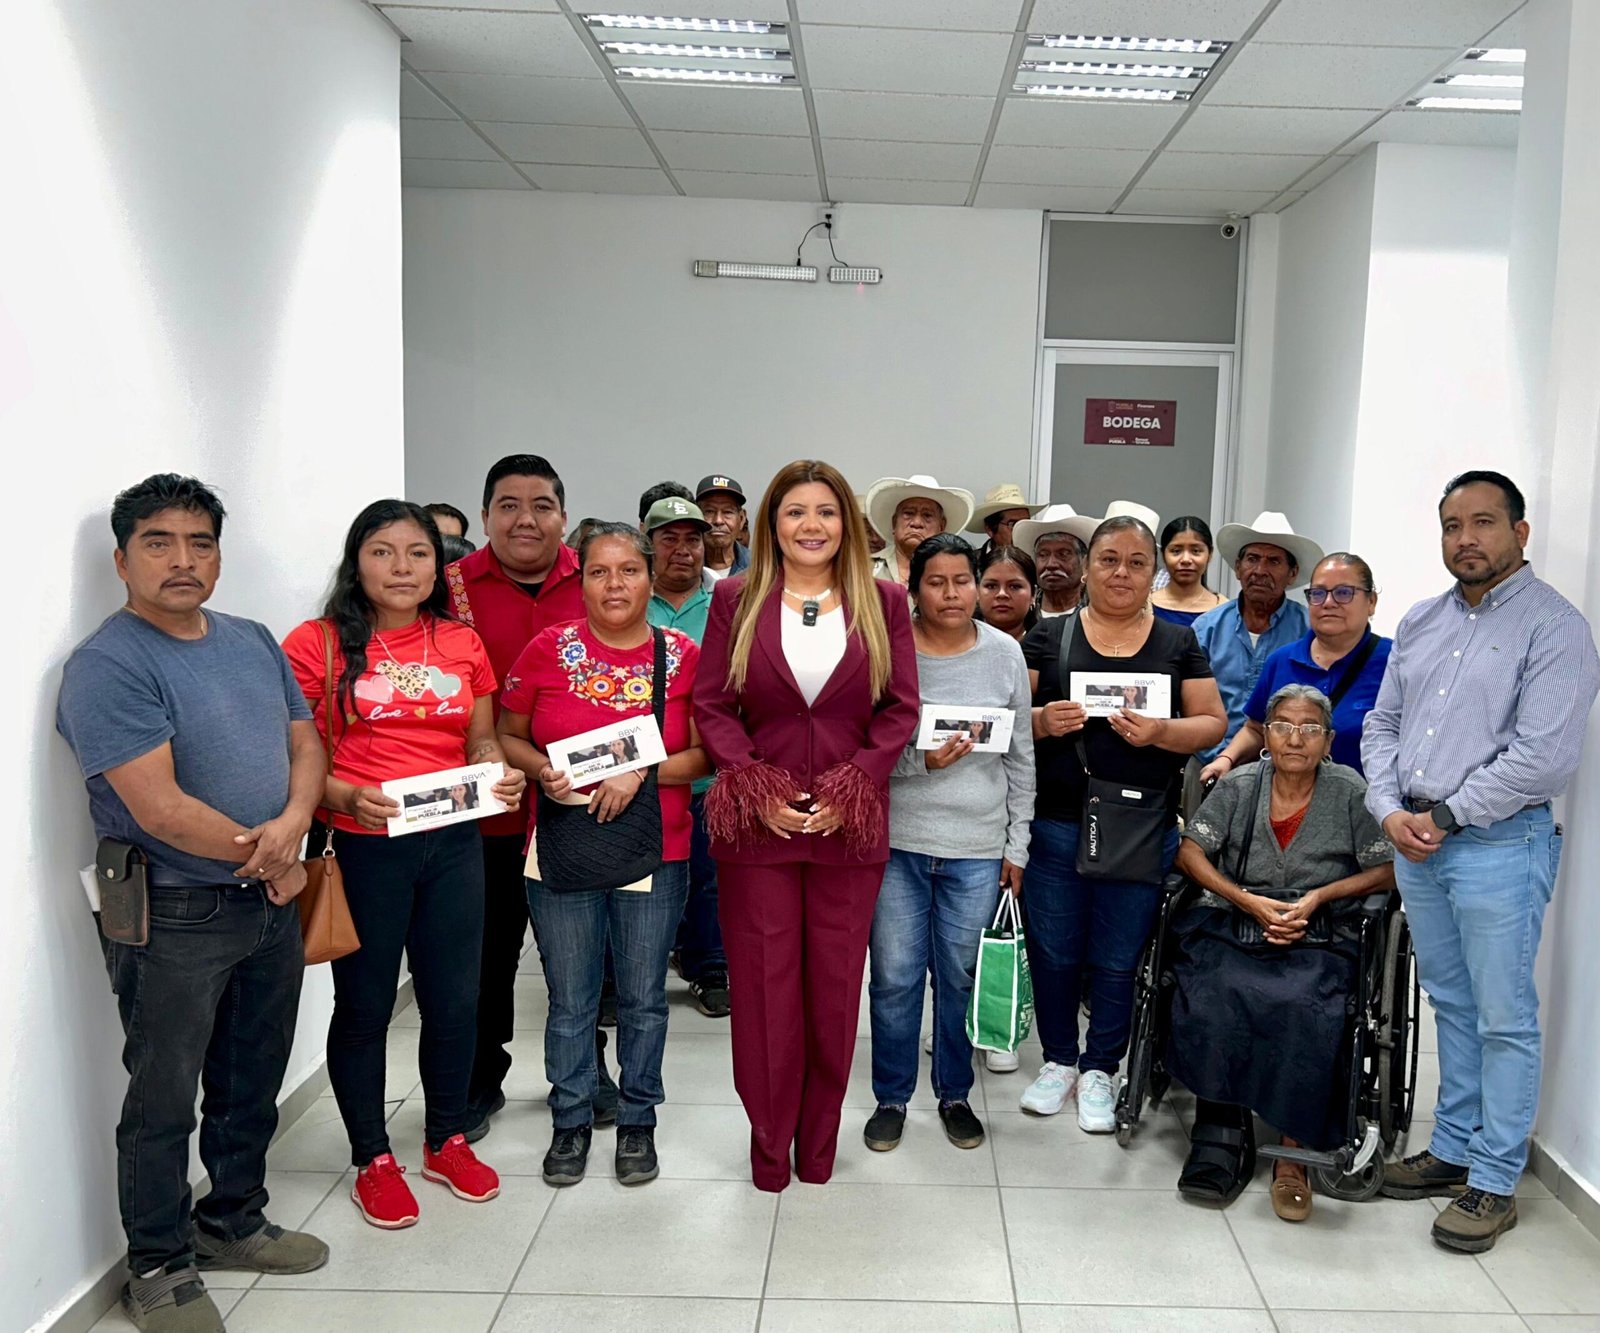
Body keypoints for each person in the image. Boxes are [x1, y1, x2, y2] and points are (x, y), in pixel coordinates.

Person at [57, 475, 329, 1333]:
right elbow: (160, 808)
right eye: (158, 542)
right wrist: (275, 855)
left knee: (252, 1077)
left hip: (267, 900)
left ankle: (232, 1220)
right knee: (163, 1096)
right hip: (173, 911)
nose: (182, 559)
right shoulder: (108, 664)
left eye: (200, 542)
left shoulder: (252, 639)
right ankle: (159, 1265)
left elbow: (306, 744)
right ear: (121, 560)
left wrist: (293, 828)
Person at [1364, 470, 1600, 1254]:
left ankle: (1495, 1179)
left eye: (1483, 522)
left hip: (1498, 844)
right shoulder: (1422, 620)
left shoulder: (1556, 628)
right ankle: (1453, 1147)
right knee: (1453, 1006)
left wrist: (1444, 814)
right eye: (1452, 525)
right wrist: (1389, 809)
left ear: (1520, 533)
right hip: (1416, 841)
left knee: (1503, 1016)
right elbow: (1382, 725)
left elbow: (1544, 757)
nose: (1465, 539)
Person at [283, 500, 522, 1230]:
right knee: (365, 1005)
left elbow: (481, 738)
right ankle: (372, 1158)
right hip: (362, 843)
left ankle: (446, 1138)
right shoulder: (317, 644)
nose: (401, 568)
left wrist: (497, 771)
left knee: (455, 998)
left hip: (453, 841)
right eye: (383, 552)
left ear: (437, 565)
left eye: (418, 553)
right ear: (356, 561)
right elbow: (293, 753)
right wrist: (343, 795)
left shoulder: (461, 641)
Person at [696, 460, 919, 1191]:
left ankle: (818, 1147)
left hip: (846, 829)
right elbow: (712, 704)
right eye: (796, 511)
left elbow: (900, 708)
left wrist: (857, 783)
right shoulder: (735, 598)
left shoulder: (884, 601)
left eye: (827, 511)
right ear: (772, 523)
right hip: (757, 831)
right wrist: (751, 782)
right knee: (765, 995)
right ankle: (769, 1151)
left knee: (833, 993)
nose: (812, 525)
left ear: (847, 524)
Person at [496, 523, 708, 1188]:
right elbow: (508, 735)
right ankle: (571, 1119)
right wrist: (542, 771)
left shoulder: (683, 655)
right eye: (598, 572)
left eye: (628, 570)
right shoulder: (547, 649)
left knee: (643, 999)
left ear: (650, 576)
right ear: (580, 580)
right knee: (571, 1000)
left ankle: (639, 1120)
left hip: (657, 849)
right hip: (560, 847)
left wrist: (639, 771)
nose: (614, 584)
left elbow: (707, 754)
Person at [1019, 516, 1226, 1131]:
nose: (1121, 573)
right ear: (1087, 567)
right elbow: (1007, 719)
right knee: (1054, 951)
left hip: (1140, 824)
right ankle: (1059, 1061)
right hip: (1056, 822)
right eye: (1109, 559)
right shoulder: (1048, 636)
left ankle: (1101, 1068)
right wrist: (1041, 722)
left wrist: (1162, 732)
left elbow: (1212, 723)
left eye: (1137, 563)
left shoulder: (1177, 643)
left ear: (1152, 573)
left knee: (1117, 955)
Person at [1170, 685, 1396, 1220]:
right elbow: (1190, 851)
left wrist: (1319, 898)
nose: (1296, 739)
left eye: (1310, 728)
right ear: (1265, 736)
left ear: (1328, 741)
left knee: (1304, 1004)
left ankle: (1294, 1152)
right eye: (1283, 727)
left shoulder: (1350, 790)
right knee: (1215, 991)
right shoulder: (1240, 784)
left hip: (1320, 932)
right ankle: (1221, 1135)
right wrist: (1245, 900)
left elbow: (1386, 868)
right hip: (1235, 921)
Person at [865, 535, 1035, 1152]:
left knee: (960, 976)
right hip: (898, 845)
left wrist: (1017, 845)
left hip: (978, 846)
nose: (952, 594)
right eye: (936, 582)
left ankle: (954, 1094)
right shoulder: (888, 652)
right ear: (914, 589)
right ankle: (891, 1097)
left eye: (963, 581)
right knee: (895, 978)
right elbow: (862, 751)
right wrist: (922, 762)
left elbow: (1021, 756)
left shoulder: (1004, 654)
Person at [447, 455, 585, 1142]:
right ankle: (478, 1077)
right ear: (484, 516)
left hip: (580, 807)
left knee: (584, 959)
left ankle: (587, 1079)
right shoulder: (449, 587)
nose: (525, 519)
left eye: (541, 505)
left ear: (563, 515)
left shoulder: (597, 579)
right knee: (485, 957)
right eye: (508, 505)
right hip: (485, 814)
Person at [640, 497, 729, 1019]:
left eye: (692, 539)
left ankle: (709, 966)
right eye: (668, 539)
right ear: (648, 544)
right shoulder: (632, 598)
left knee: (710, 878)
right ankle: (628, 976)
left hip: (709, 776)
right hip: (641, 777)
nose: (682, 549)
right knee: (639, 880)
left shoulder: (727, 603)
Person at [1202, 553, 1392, 780]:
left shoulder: (1394, 662)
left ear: (1371, 602)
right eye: (1318, 593)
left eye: (1343, 593)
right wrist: (1226, 759)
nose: (1328, 603)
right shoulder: (1281, 660)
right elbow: (1256, 728)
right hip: (1285, 796)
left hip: (1364, 799)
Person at [1190, 511, 1323, 770]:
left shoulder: (1310, 631)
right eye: (1252, 559)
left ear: (1292, 573)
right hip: (1208, 763)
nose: (1260, 570)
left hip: (1286, 771)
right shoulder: (1206, 629)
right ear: (1238, 568)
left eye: (1274, 561)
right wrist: (1219, 756)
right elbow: (1187, 706)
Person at [866, 474, 976, 587]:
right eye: (908, 513)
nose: (916, 523)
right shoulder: (865, 567)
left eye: (927, 515)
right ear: (894, 523)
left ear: (941, 527)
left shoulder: (958, 571)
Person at [1009, 505, 1087, 618]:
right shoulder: (1019, 615)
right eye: (1043, 555)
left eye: (1063, 554)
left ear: (1084, 563)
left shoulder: (1099, 616)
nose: (1051, 564)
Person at [1152, 516, 1224, 627]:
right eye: (1176, 551)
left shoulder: (1224, 611)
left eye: (1196, 551)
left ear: (1209, 554)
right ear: (1163, 554)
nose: (1186, 560)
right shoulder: (1143, 607)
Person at [696, 474, 752, 585]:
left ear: (741, 519)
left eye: (727, 512)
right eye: (709, 511)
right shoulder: (685, 566)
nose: (718, 521)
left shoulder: (760, 567)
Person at [976, 544, 1040, 642]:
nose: (1002, 594)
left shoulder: (1052, 643)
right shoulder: (955, 641)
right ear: (977, 591)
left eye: (1014, 586)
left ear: (1033, 594)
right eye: (991, 586)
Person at [965, 482, 1042, 559]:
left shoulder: (1038, 560)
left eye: (1025, 523)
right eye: (1013, 524)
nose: (1021, 530)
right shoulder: (971, 563)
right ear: (990, 529)